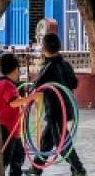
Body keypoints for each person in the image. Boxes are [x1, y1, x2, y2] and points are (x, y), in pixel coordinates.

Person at [32, 32, 85, 175]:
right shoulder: (65, 64)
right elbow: (74, 83)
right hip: (66, 108)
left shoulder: (48, 66)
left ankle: (79, 168)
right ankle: (37, 167)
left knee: (61, 143)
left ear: (44, 48)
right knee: (47, 139)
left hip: (55, 111)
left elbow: (36, 86)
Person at [0, 52, 25, 176]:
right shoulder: (7, 85)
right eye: (18, 69)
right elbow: (13, 103)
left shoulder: (0, 83)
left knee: (19, 156)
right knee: (6, 158)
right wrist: (30, 98)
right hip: (8, 129)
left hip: (12, 128)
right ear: (14, 69)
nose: (18, 72)